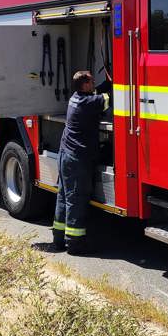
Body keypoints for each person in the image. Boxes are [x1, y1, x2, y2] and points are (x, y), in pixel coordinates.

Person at [52, 70, 110, 254]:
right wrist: (115, 82)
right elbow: (105, 98)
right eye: (92, 81)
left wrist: (104, 84)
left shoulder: (76, 98)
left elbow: (97, 94)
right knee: (76, 199)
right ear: (85, 84)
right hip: (76, 159)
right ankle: (75, 244)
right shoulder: (88, 103)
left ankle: (59, 238)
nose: (94, 84)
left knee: (64, 196)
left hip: (66, 155)